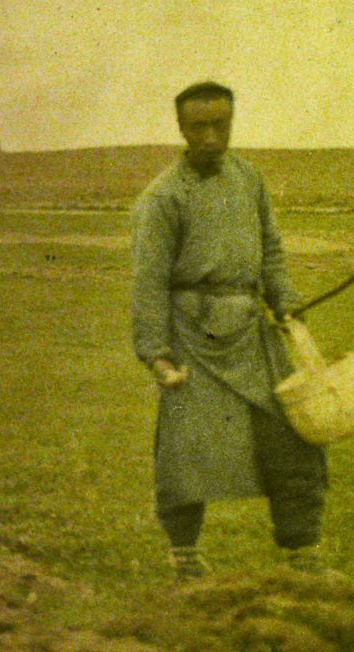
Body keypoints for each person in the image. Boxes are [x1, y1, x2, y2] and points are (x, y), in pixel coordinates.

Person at [130, 81, 327, 581]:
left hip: (250, 333)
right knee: (185, 451)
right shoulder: (162, 198)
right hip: (191, 338)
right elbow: (149, 281)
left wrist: (284, 300)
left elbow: (271, 249)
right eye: (200, 126)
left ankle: (303, 557)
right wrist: (156, 353)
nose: (212, 136)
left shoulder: (249, 180)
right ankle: (184, 560)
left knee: (294, 436)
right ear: (181, 128)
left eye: (222, 124)